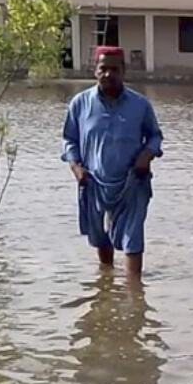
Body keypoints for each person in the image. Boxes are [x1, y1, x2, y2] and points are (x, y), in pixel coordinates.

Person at [62, 46, 163, 281]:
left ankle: (134, 294)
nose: (108, 74)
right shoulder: (80, 104)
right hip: (93, 181)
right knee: (100, 238)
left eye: (114, 69)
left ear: (123, 71)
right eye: (103, 68)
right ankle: (106, 286)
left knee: (132, 237)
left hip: (132, 181)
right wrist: (76, 168)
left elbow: (155, 136)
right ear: (95, 70)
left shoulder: (140, 105)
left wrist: (146, 156)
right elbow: (69, 140)